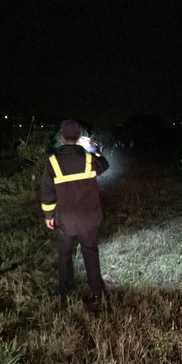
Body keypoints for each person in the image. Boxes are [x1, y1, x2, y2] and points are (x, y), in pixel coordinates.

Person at [41, 119, 110, 309]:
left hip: (66, 219)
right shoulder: (89, 158)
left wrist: (49, 215)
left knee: (64, 253)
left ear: (61, 137)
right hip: (89, 217)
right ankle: (96, 292)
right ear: (79, 137)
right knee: (90, 252)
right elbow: (105, 164)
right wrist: (93, 147)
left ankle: (64, 289)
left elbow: (47, 191)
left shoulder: (53, 161)